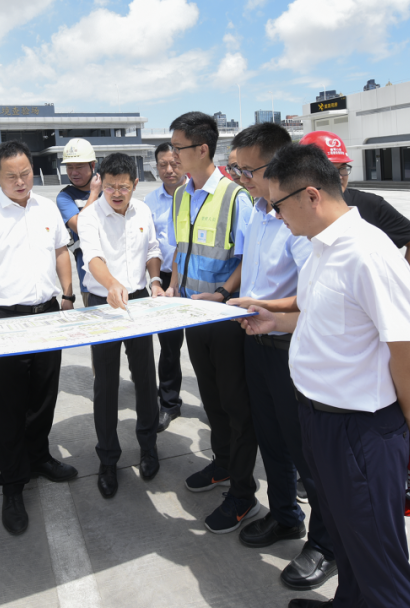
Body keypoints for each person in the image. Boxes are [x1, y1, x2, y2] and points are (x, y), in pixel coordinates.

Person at [241, 143, 410, 608]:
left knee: (379, 559)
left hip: (360, 429)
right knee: (347, 539)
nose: (274, 214)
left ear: (311, 196)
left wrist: (407, 418)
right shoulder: (321, 247)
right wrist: (274, 319)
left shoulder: (368, 254)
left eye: (278, 204)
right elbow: (321, 316)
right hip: (319, 418)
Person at [225, 123, 337, 592]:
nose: (240, 178)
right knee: (271, 439)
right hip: (256, 342)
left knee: (305, 450)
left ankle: (326, 543)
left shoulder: (298, 223)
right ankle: (286, 515)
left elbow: (312, 298)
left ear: (275, 166)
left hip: (290, 347)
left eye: (246, 170)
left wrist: (269, 313)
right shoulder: (255, 211)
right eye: (235, 169)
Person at [0, 140, 78, 536]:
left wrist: (67, 295)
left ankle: (39, 457)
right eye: (11, 176)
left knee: (45, 394)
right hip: (7, 319)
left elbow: (61, 252)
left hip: (47, 313)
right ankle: (12, 483)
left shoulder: (46, 208)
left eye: (26, 173)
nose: (21, 181)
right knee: (11, 405)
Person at [166, 111, 257, 534]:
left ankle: (243, 493)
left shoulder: (236, 198)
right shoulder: (181, 196)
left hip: (224, 318)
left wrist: (222, 294)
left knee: (236, 405)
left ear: (202, 149)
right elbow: (181, 250)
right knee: (212, 400)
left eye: (179, 148)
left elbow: (247, 258)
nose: (172, 156)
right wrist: (172, 286)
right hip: (192, 315)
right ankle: (222, 464)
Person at [77, 153, 163, 498]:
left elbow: (153, 250)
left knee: (145, 377)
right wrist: (112, 284)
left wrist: (155, 280)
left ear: (135, 184)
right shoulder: (89, 216)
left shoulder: (142, 211)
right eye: (110, 186)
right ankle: (108, 459)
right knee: (106, 383)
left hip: (138, 300)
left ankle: (149, 447)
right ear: (101, 182)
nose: (116, 193)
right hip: (103, 302)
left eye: (123, 187)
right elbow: (92, 257)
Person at [300, 131, 410, 280]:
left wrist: (403, 286)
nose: (339, 176)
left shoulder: (369, 204)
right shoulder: (289, 209)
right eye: (330, 170)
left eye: (343, 168)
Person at [142, 142, 187, 432]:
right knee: (169, 347)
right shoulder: (149, 201)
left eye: (174, 163)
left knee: (209, 347)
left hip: (198, 278)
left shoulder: (197, 193)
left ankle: (219, 404)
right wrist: (156, 281)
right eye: (162, 165)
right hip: (166, 280)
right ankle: (169, 403)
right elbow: (151, 246)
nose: (169, 169)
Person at [55, 138, 103, 306]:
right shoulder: (65, 197)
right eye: (69, 167)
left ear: (92, 165)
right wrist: (94, 193)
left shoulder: (110, 190)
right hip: (90, 282)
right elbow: (80, 226)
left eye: (79, 166)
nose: (74, 172)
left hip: (119, 276)